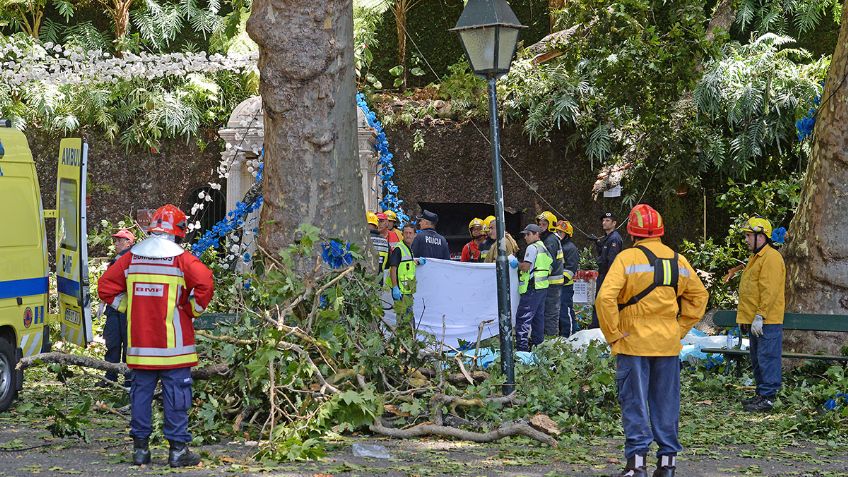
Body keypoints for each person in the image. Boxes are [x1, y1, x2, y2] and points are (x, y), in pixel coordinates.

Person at [98, 204, 214, 468]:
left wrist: (129, 306)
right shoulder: (182, 260)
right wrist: (191, 309)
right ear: (178, 232)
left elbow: (105, 287)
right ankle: (177, 452)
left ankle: (141, 451)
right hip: (174, 347)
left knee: (140, 395)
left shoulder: (131, 259)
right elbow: (205, 282)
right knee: (177, 396)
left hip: (140, 346)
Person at [595, 204, 707, 477]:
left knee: (635, 402)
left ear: (632, 231)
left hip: (633, 344)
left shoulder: (627, 258)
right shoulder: (678, 260)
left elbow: (604, 298)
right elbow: (699, 297)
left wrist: (613, 334)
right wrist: (679, 329)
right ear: (660, 230)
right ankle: (667, 465)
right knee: (666, 403)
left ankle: (637, 466)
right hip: (667, 345)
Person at [736, 216, 786, 413]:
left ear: (761, 236)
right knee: (757, 359)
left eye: (749, 235)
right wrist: (745, 319)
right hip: (756, 320)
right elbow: (750, 291)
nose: (746, 239)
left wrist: (760, 316)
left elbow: (769, 290)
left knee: (767, 358)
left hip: (767, 321)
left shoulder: (771, 258)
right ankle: (761, 394)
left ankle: (768, 398)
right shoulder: (755, 258)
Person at [101, 228, 136, 387]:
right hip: (116, 310)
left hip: (128, 311)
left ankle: (124, 378)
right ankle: (113, 376)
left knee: (125, 344)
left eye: (118, 241)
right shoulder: (118, 260)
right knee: (114, 343)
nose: (115, 244)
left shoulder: (130, 259)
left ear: (128, 242)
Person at [515, 224, 552, 352]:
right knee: (538, 319)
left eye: (528, 234)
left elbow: (525, 267)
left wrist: (515, 263)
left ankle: (522, 350)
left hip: (532, 288)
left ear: (536, 234)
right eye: (524, 234)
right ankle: (538, 347)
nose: (525, 237)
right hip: (542, 288)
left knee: (523, 318)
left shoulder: (532, 247)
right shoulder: (544, 248)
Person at [387, 223, 426, 333]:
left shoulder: (408, 249)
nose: (408, 235)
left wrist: (417, 262)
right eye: (406, 233)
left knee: (408, 319)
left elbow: (406, 264)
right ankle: (404, 346)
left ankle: (408, 344)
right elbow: (393, 268)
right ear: (402, 234)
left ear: (414, 235)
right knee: (403, 320)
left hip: (406, 291)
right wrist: (395, 287)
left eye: (410, 233)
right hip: (400, 291)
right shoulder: (399, 249)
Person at [591, 211, 623, 329]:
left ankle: (600, 328)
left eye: (607, 220)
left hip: (607, 275)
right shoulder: (607, 238)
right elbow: (603, 254)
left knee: (602, 302)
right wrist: (598, 243)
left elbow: (612, 261)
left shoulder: (614, 239)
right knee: (599, 301)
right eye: (603, 220)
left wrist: (610, 279)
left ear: (614, 223)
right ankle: (597, 326)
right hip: (603, 274)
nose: (604, 223)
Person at [537, 211, 564, 336]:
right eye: (540, 223)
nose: (541, 226)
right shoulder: (549, 238)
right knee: (549, 312)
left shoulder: (550, 240)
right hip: (551, 283)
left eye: (544, 224)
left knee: (550, 313)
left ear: (551, 225)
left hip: (552, 283)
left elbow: (549, 263)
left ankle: (551, 339)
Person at [555, 220, 580, 337]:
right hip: (557, 285)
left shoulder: (570, 248)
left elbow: (571, 268)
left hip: (565, 286)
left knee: (565, 311)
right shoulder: (558, 245)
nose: (558, 234)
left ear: (567, 234)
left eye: (561, 232)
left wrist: (562, 280)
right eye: (557, 231)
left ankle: (569, 335)